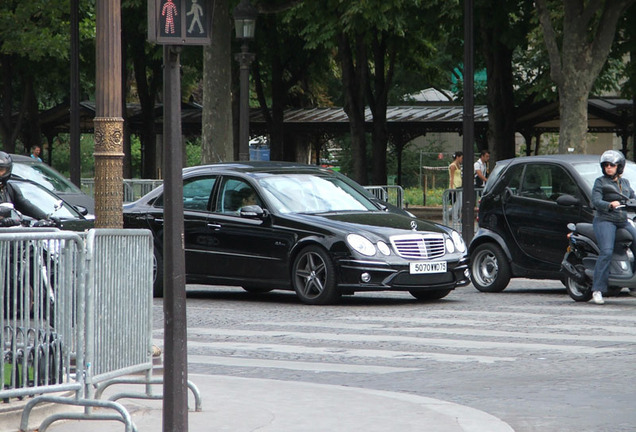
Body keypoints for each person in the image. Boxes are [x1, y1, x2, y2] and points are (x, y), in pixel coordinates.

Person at [590, 150, 636, 305]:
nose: (609, 168)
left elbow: (632, 198)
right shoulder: (600, 182)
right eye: (606, 165)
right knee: (606, 252)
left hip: (622, 220)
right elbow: (595, 201)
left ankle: (632, 284)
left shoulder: (625, 183)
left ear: (619, 167)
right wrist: (609, 204)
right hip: (605, 220)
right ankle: (597, 289)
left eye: (612, 165)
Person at [0, 152, 47, 226]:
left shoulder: (10, 189)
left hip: (8, 235)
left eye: (1, 170)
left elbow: (26, 206)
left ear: (8, 170)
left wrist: (46, 218)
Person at [448, 152, 463, 226]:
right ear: (457, 157)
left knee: (459, 204)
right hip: (454, 186)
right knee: (456, 204)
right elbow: (452, 177)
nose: (462, 159)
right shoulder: (453, 166)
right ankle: (455, 220)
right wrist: (451, 188)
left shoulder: (459, 165)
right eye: (461, 158)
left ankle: (449, 213)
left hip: (459, 186)